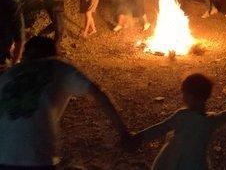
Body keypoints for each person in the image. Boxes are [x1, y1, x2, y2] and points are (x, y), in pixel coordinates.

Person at [0, 36, 129, 169]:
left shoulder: (9, 75)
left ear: (24, 56)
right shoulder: (59, 67)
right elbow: (98, 93)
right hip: (35, 158)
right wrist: (124, 133)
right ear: (54, 55)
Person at [129, 73, 226, 170]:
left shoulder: (183, 116)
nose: (182, 97)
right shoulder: (211, 120)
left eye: (183, 93)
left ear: (190, 96)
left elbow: (161, 128)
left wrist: (138, 137)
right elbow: (225, 115)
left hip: (175, 163)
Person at [0, 0, 28, 69]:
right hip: (7, 17)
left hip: (16, 15)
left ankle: (14, 62)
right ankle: (10, 65)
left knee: (18, 40)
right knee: (12, 41)